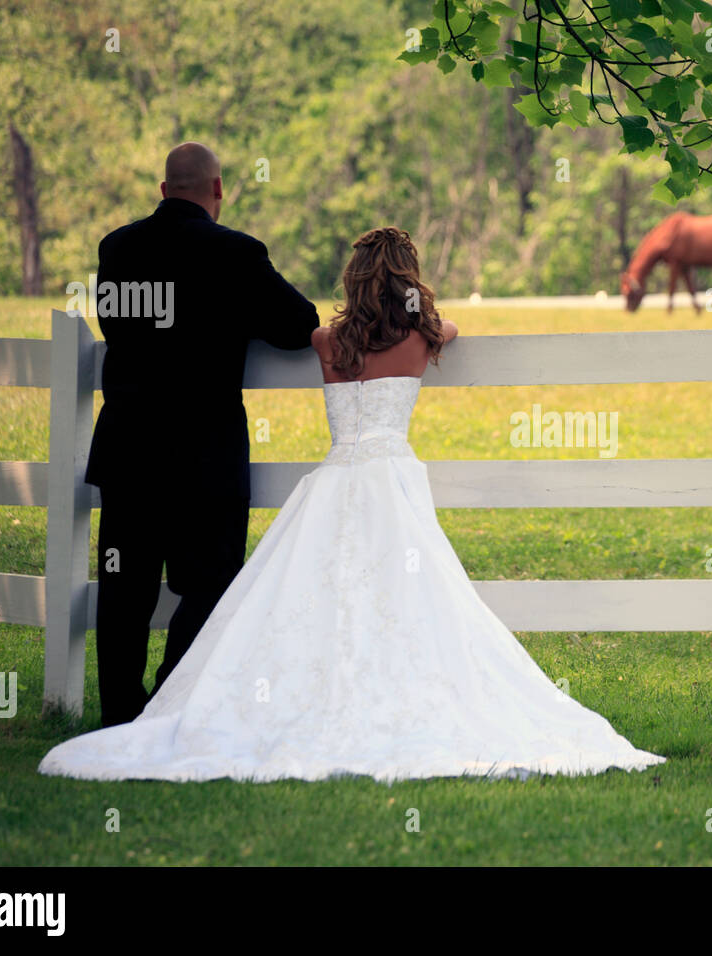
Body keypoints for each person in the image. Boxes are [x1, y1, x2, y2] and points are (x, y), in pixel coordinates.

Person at [39, 227, 665, 783]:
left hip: (336, 480)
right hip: (392, 479)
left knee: (314, 592)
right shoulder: (425, 337)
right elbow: (451, 327)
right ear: (409, 280)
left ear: (353, 280)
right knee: (409, 594)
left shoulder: (325, 342)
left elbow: (309, 329)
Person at [86, 142, 319, 727]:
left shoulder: (116, 249)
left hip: (128, 451)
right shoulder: (237, 254)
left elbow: (115, 325)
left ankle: (119, 713)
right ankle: (170, 701)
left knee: (124, 591)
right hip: (203, 457)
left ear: (164, 191)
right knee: (212, 583)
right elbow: (299, 325)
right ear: (218, 190)